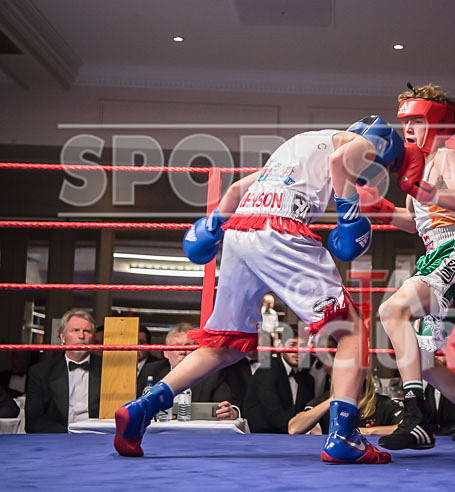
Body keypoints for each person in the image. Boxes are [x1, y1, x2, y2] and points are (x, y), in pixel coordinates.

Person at [114, 115, 411, 464]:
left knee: (226, 345)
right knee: (350, 331)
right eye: (376, 165)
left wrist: (212, 225)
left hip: (240, 231)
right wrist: (347, 213)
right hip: (282, 228)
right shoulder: (356, 142)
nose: (370, 172)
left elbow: (237, 190)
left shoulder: (297, 146)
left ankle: (142, 408)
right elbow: (340, 162)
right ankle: (343, 436)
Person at [359, 83, 455, 450]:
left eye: (416, 120)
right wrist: (379, 208)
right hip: (435, 255)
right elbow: (413, 222)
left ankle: (415, 417)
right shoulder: (418, 167)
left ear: (438, 124)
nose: (407, 128)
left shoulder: (445, 158)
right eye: (404, 121)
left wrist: (424, 190)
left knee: (392, 310)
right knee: (423, 361)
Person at [26, 309, 101, 433]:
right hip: (57, 440)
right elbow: (33, 421)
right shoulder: (40, 372)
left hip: (97, 439)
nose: (81, 336)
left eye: (86, 331)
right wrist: (67, 435)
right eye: (75, 330)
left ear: (92, 338)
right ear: (63, 337)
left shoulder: (107, 370)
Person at [139, 323, 235, 417]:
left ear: (197, 351)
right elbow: (137, 405)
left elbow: (228, 407)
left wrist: (231, 413)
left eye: (188, 346)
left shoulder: (212, 374)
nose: (183, 351)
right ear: (166, 353)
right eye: (177, 347)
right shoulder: (151, 371)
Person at [241, 327, 315, 433]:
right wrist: (303, 430)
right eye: (292, 345)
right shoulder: (268, 369)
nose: (297, 351)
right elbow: (274, 414)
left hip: (293, 437)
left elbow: (307, 411)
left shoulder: (307, 379)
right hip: (264, 436)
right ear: (281, 348)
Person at [288, 371, 402, 436]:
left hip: (372, 457)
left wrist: (368, 431)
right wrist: (332, 400)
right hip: (337, 460)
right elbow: (294, 428)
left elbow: (406, 428)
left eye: (352, 373)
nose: (347, 379)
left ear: (365, 376)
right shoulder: (325, 401)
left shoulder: (384, 403)